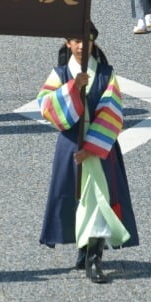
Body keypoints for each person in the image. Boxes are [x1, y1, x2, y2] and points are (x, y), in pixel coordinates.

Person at [38, 21, 139, 282]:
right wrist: (73, 89)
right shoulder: (59, 73)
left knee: (97, 201)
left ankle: (95, 257)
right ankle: (83, 249)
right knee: (76, 199)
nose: (82, 45)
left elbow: (112, 111)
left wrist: (92, 148)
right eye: (76, 40)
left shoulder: (106, 73)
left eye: (87, 39)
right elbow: (46, 106)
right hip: (70, 145)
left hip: (100, 147)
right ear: (67, 43)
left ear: (94, 41)